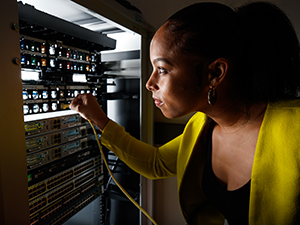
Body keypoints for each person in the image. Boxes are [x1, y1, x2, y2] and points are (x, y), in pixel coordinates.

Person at [70, 1, 300, 225]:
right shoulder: (201, 126)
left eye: (162, 69)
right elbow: (155, 163)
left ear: (215, 73)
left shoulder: (295, 128)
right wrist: (98, 119)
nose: (149, 83)